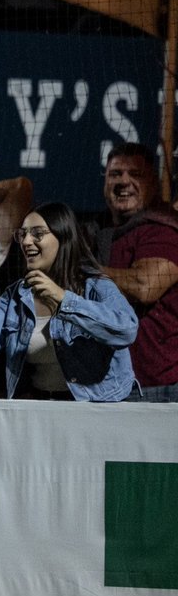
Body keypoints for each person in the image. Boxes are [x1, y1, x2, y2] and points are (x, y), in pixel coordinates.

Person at [0, 202, 138, 401]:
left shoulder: (95, 285)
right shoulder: (16, 296)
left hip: (96, 408)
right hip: (41, 407)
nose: (26, 241)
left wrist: (63, 299)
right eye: (22, 234)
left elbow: (126, 330)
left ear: (63, 237)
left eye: (37, 233)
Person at [94, 142, 178, 402]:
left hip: (162, 388)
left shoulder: (164, 229)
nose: (124, 181)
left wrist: (84, 272)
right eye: (115, 174)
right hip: (113, 386)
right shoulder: (102, 235)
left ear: (153, 182)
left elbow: (146, 286)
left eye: (136, 174)